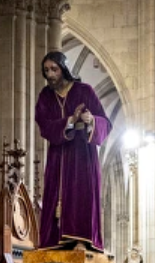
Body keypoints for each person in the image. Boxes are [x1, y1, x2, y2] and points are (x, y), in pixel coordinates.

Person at [36, 51, 110, 250]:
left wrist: (91, 120)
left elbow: (105, 123)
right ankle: (54, 241)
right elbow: (43, 124)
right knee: (55, 194)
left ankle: (82, 240)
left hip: (82, 153)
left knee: (81, 193)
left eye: (54, 69)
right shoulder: (45, 96)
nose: (50, 74)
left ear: (64, 69)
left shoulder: (84, 90)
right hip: (58, 154)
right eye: (46, 70)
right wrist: (69, 120)